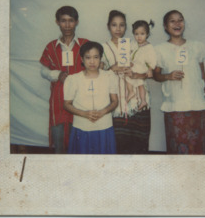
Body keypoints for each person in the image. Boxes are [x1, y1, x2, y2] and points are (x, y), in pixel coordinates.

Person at [153, 10, 205, 154]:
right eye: (172, 21)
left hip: (196, 104)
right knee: (178, 148)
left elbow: (202, 75)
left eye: (180, 20)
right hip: (175, 106)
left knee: (197, 146)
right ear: (165, 26)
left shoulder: (196, 46)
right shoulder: (159, 49)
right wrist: (168, 76)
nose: (177, 23)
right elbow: (156, 75)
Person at [101, 10, 152, 154]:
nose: (118, 29)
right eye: (114, 25)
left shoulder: (135, 44)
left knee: (139, 144)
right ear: (108, 26)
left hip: (138, 98)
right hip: (117, 101)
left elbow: (149, 71)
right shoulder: (103, 48)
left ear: (126, 27)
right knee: (120, 144)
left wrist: (135, 73)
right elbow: (99, 74)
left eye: (122, 25)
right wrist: (112, 68)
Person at [39, 6, 88, 153]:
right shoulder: (51, 47)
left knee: (80, 139)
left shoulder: (85, 44)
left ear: (77, 22)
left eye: (71, 21)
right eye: (63, 21)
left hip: (81, 98)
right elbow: (43, 70)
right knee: (59, 141)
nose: (67, 25)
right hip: (58, 98)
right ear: (57, 22)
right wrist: (57, 74)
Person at [63, 41, 118, 154]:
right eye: (88, 57)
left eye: (96, 57)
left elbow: (114, 101)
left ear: (100, 58)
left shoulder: (109, 76)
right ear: (82, 59)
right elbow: (66, 104)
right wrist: (85, 114)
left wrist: (103, 112)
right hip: (82, 127)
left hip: (104, 126)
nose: (92, 61)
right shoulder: (73, 79)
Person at [126, 20, 157, 111]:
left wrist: (150, 69)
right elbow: (129, 53)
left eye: (142, 34)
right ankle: (136, 95)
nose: (139, 37)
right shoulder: (133, 44)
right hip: (134, 66)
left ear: (147, 34)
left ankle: (140, 98)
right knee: (130, 78)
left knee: (139, 82)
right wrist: (129, 61)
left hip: (141, 67)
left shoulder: (149, 47)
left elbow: (152, 60)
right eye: (136, 34)